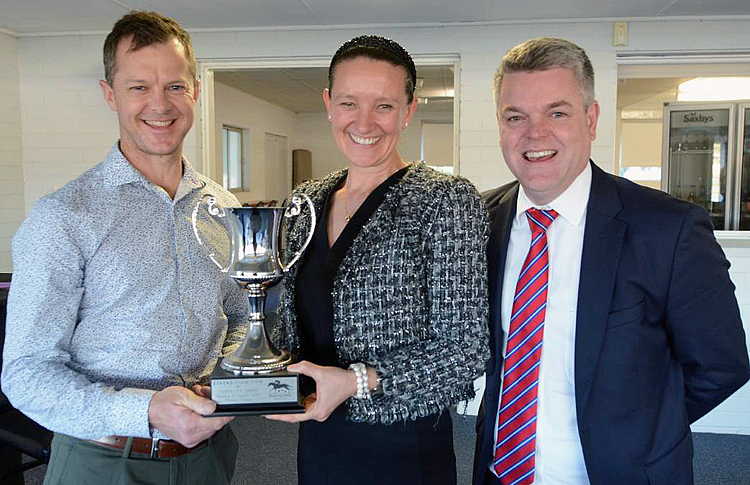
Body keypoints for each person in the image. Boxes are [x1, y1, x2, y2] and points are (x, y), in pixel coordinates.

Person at [473, 37, 750, 485]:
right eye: (515, 117)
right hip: (499, 472)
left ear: (591, 119)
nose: (535, 133)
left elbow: (721, 365)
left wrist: (641, 431)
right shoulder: (478, 221)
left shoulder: (668, 228)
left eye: (557, 113)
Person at [1, 11, 247, 485]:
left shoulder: (222, 207)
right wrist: (144, 410)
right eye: (139, 87)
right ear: (110, 94)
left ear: (195, 91)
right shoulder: (63, 216)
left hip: (209, 458)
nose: (160, 104)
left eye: (175, 86)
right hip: (104, 462)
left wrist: (226, 377)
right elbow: (26, 374)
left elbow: (238, 315)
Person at [266, 35, 490, 484]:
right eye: (349, 103)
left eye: (384, 106)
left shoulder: (444, 200)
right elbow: (293, 325)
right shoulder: (306, 202)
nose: (364, 122)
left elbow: (466, 350)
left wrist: (358, 381)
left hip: (402, 446)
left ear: (408, 110)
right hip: (320, 437)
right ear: (329, 105)